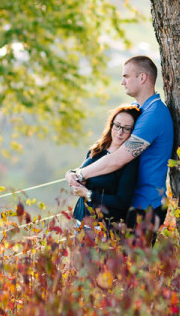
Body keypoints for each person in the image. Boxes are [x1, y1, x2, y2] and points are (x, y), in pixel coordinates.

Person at [67, 55, 174, 243]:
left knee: (135, 269)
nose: (122, 82)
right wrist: (75, 172)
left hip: (145, 207)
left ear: (142, 78)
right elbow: (108, 148)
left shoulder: (154, 115)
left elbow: (118, 159)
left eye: (126, 76)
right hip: (126, 204)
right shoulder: (136, 110)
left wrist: (81, 174)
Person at [70, 104, 141, 228]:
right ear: (111, 124)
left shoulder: (129, 161)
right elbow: (82, 172)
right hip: (81, 222)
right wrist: (70, 174)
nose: (120, 132)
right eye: (117, 125)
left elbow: (122, 201)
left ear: (133, 131)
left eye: (127, 128)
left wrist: (88, 194)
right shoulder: (97, 148)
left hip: (103, 227)